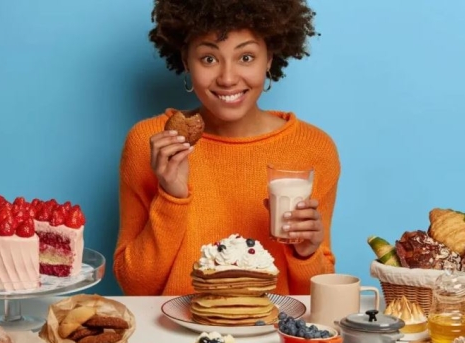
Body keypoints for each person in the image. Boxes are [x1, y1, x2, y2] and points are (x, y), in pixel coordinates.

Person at [113, 0, 340, 296]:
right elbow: (136, 287)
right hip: (172, 340)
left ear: (269, 58)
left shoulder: (313, 149)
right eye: (209, 59)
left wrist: (306, 253)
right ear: (185, 60)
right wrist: (171, 196)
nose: (228, 78)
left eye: (246, 57)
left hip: (270, 338)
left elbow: (314, 300)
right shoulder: (151, 143)